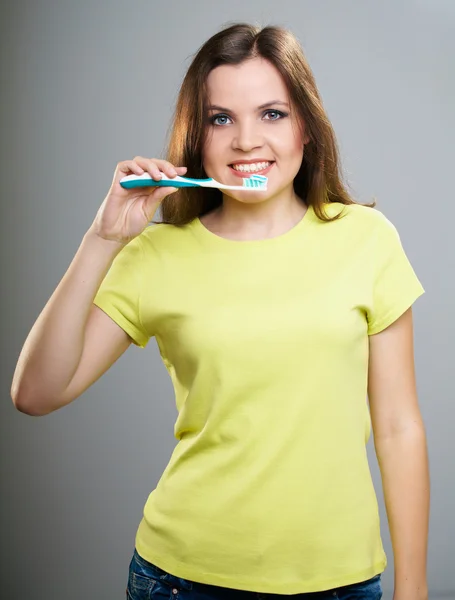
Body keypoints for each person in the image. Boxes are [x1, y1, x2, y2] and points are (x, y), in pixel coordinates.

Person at [11, 22, 429, 600]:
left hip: (341, 582)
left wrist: (414, 589)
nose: (246, 141)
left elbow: (399, 427)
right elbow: (35, 393)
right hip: (181, 580)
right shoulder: (156, 253)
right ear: (198, 135)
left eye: (272, 114)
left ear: (305, 127)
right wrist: (102, 239)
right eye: (221, 118)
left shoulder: (367, 240)